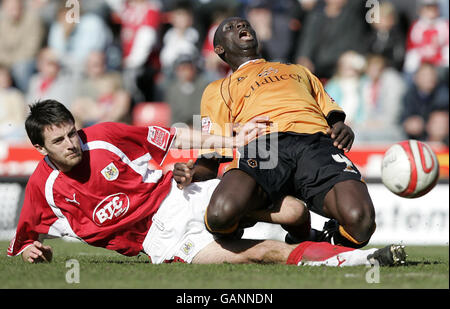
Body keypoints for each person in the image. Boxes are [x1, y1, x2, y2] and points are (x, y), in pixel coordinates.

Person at [8, 100, 406, 268]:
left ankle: (325, 238)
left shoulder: (106, 135)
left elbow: (176, 137)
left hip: (180, 195)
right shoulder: (43, 188)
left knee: (294, 210)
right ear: (40, 147)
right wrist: (29, 249)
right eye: (58, 141)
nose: (71, 144)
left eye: (72, 133)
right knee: (260, 254)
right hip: (158, 242)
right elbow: (23, 238)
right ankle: (358, 260)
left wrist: (231, 141)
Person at [174, 17, 376, 249]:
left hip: (316, 142)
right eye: (229, 28)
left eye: (244, 24)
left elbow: (331, 112)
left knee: (361, 222)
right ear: (219, 49)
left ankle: (320, 239)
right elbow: (211, 156)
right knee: (220, 215)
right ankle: (291, 217)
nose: (241, 27)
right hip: (263, 145)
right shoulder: (215, 89)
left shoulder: (298, 70)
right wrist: (192, 173)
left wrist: (341, 126)